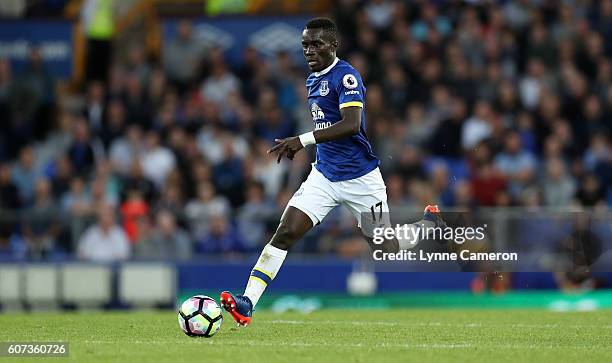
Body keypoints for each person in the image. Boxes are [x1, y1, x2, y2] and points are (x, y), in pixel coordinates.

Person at [219, 18, 445, 326]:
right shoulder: (312, 80)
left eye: (316, 44)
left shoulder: (347, 76)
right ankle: (247, 302)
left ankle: (428, 224)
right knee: (285, 232)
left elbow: (351, 125)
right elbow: (326, 127)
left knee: (387, 247)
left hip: (361, 179)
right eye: (305, 46)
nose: (309, 51)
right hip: (324, 177)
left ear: (333, 45)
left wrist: (303, 139)